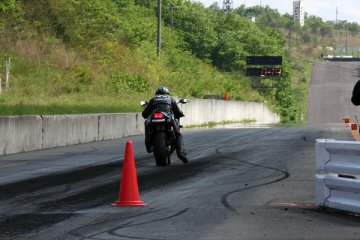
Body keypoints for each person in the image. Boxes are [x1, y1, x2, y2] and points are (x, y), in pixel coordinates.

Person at [142, 86, 188, 163]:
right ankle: (181, 153)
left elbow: (145, 114)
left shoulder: (153, 99)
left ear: (157, 93)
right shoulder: (170, 99)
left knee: (147, 123)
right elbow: (177, 111)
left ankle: (149, 144)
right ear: (167, 93)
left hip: (154, 119)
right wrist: (181, 114)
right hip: (167, 118)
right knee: (177, 133)